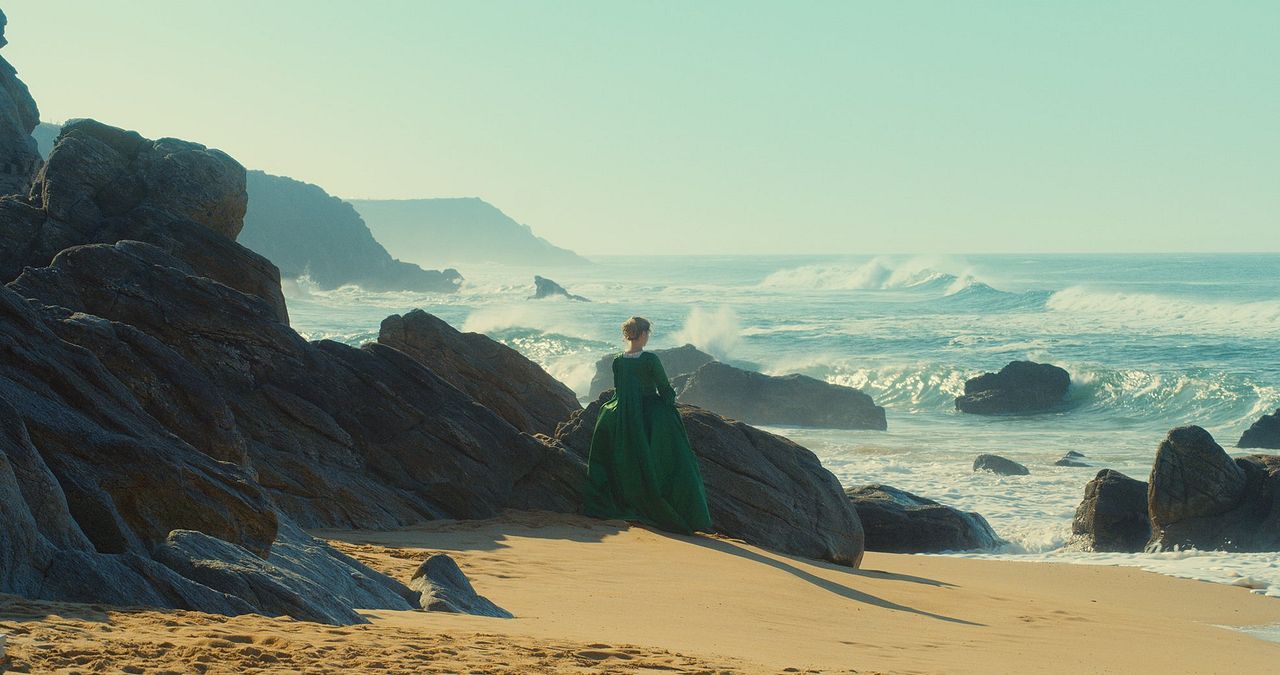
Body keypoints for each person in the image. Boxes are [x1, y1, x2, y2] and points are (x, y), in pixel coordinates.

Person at [583, 316, 713, 535]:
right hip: (650, 413)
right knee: (680, 460)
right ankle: (683, 512)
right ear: (643, 334)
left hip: (625, 413)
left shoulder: (618, 360)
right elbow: (664, 388)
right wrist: (670, 405)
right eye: (648, 333)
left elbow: (619, 390)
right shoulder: (650, 359)